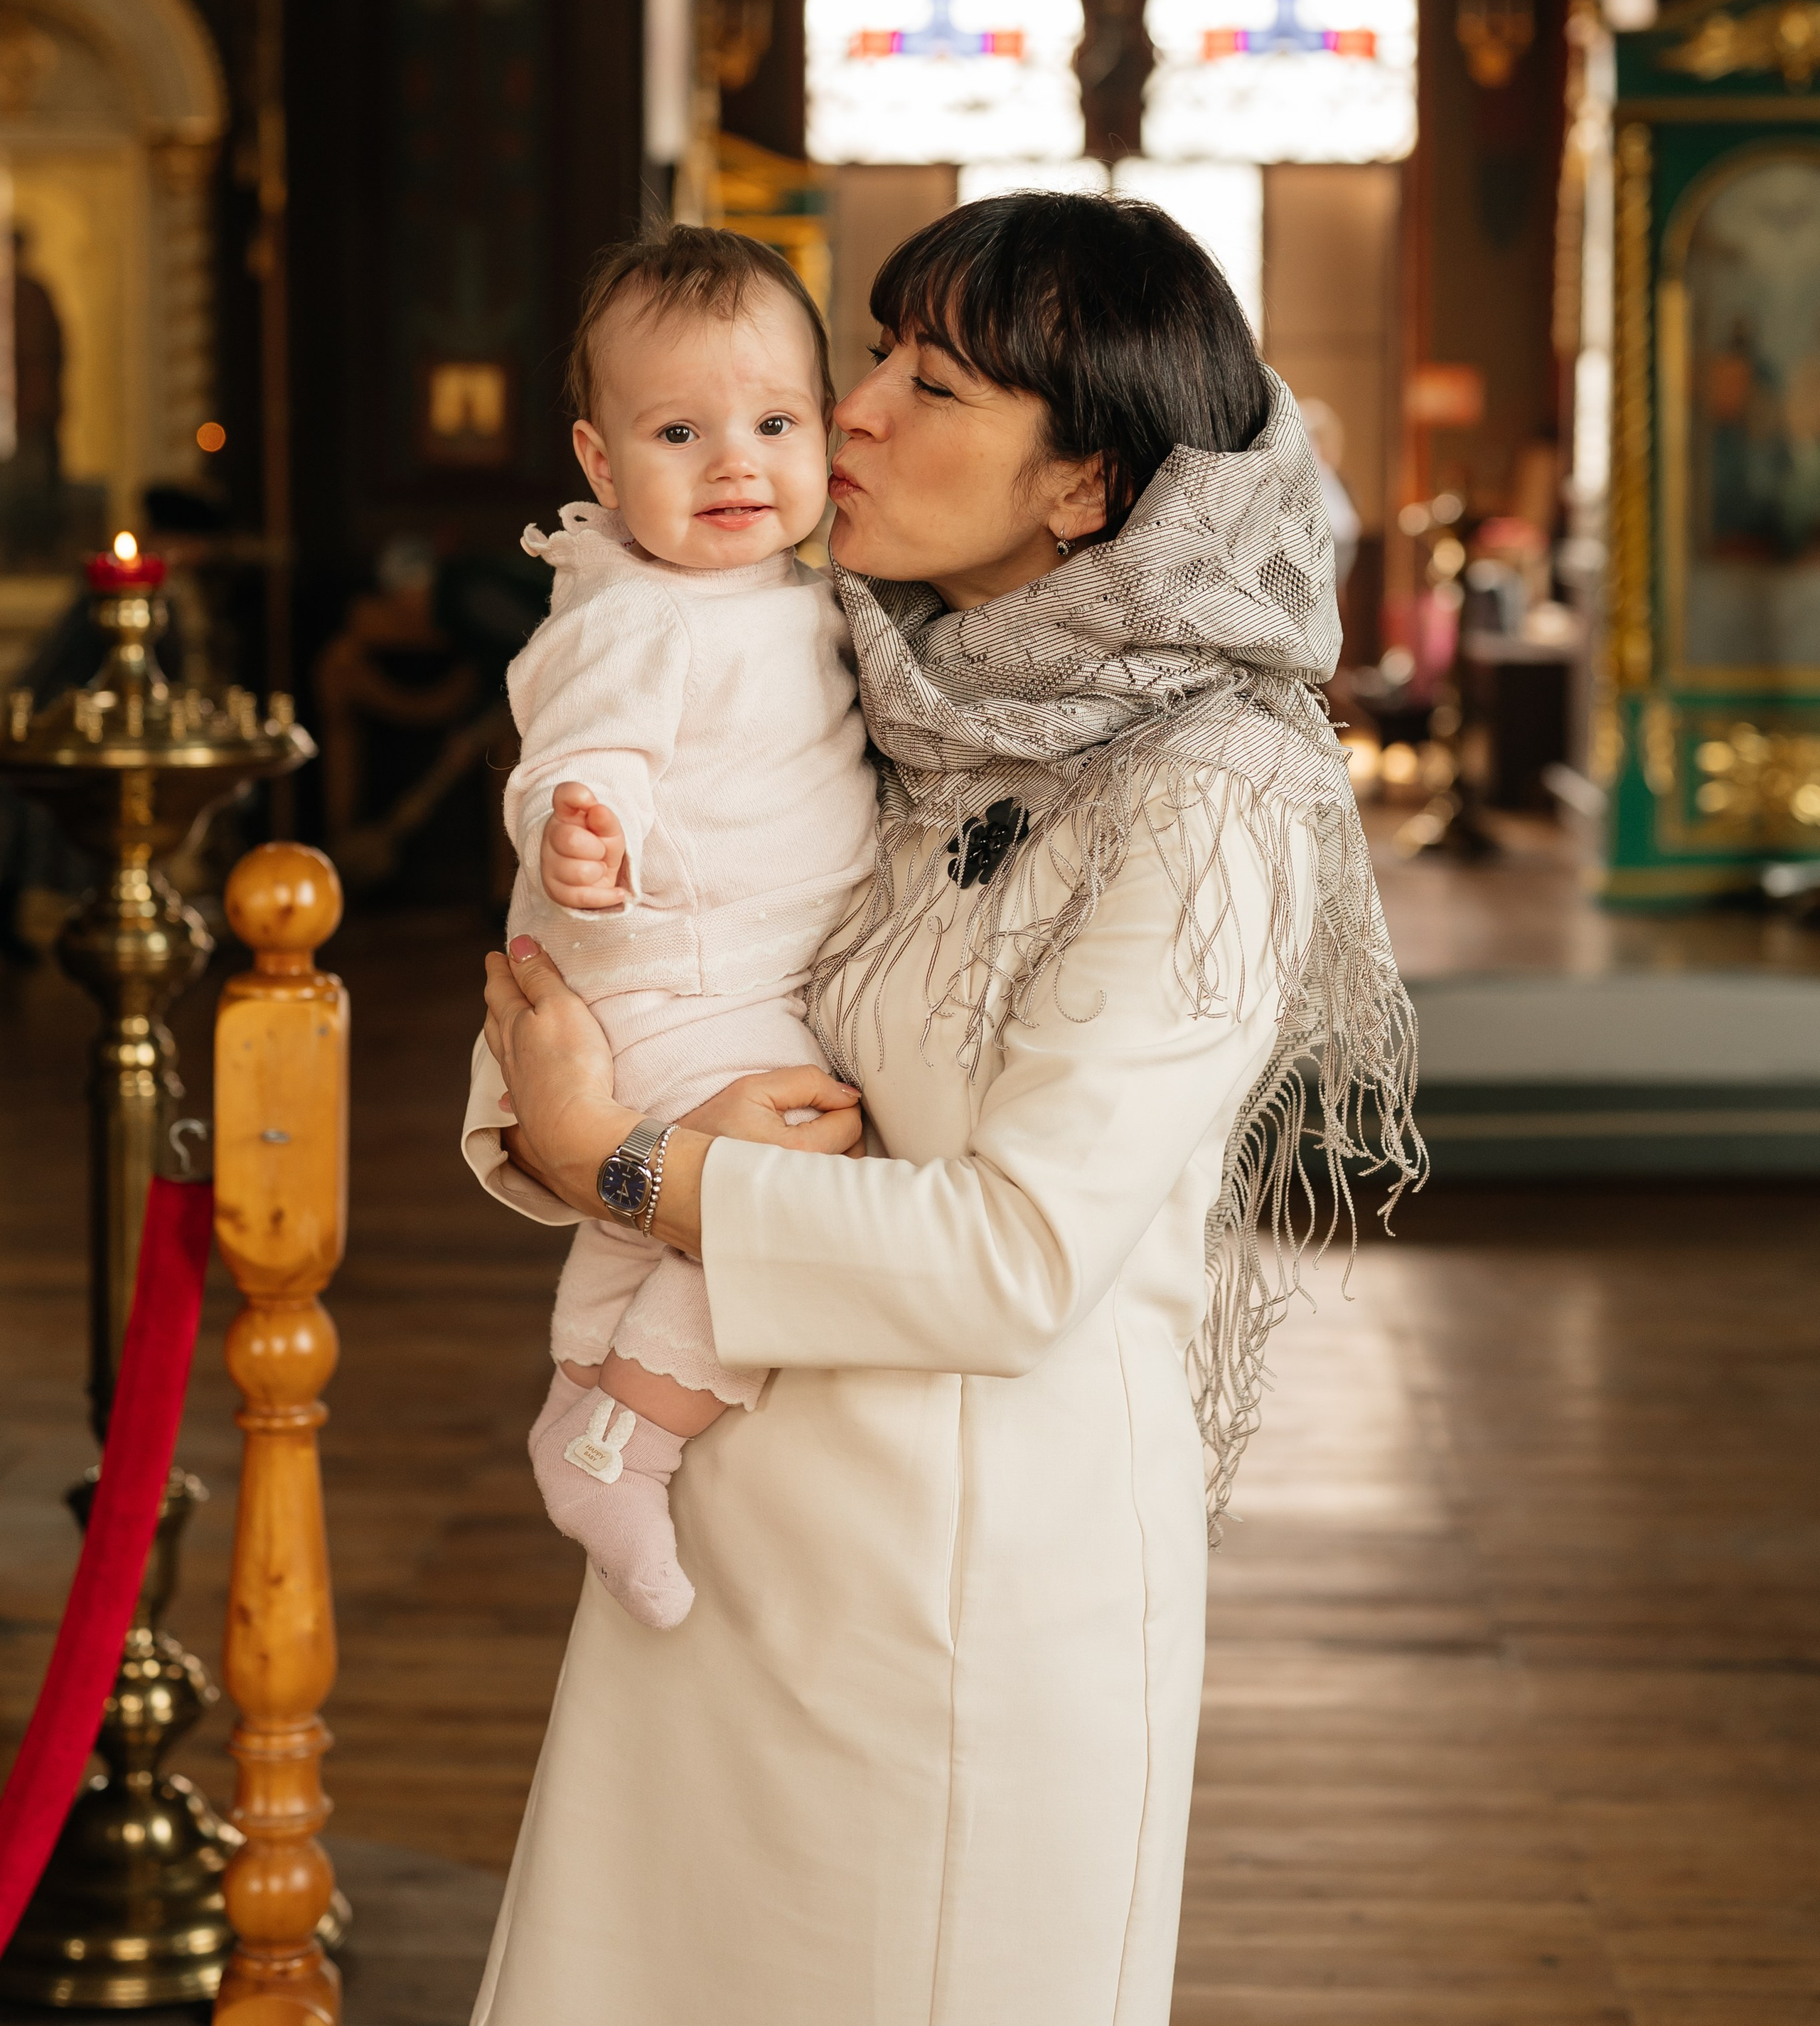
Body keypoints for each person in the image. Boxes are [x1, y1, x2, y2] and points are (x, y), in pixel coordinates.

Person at [470, 191, 1421, 2026]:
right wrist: (562, 1116)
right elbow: (591, 980)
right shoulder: (841, 667)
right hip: (711, 1521)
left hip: (959, 1593)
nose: (856, 409)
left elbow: (1018, 1253)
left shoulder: (1211, 795)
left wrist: (630, 1164)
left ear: (1082, 484)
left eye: (936, 384)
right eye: (878, 353)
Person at [460, 228, 876, 1628]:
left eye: (774, 425)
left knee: (658, 1225)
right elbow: (582, 747)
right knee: (784, 1184)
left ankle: (580, 1391)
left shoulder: (788, 591)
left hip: (725, 973)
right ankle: (623, 1444)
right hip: (674, 974)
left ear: (826, 430)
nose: (734, 465)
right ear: (599, 461)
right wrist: (583, 827)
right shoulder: (639, 613)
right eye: (680, 433)